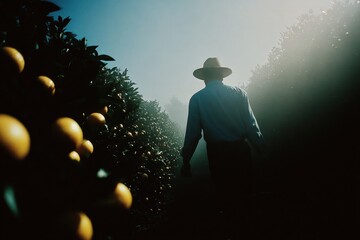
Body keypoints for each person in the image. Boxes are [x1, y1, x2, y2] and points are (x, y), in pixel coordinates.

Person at [180, 57, 266, 238]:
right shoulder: (239, 93)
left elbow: (193, 134)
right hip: (240, 151)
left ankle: (232, 230)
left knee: (226, 197)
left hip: (217, 155)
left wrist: (186, 160)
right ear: (221, 75)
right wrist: (262, 150)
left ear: (204, 77)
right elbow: (251, 126)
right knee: (245, 195)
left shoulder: (197, 99)